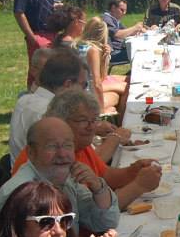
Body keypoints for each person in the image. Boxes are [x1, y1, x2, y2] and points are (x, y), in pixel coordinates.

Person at [0, 117, 120, 237]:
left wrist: (98, 186)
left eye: (67, 146)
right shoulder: (21, 194)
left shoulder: (64, 179)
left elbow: (106, 221)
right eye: (52, 146)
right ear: (31, 153)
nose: (62, 154)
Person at [10, 90, 162, 212]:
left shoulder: (80, 144)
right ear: (61, 121)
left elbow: (106, 175)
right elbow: (95, 213)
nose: (91, 127)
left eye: (94, 120)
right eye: (83, 120)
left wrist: (133, 171)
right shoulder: (51, 160)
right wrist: (139, 186)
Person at [9, 49, 88, 160]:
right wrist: (116, 137)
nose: (84, 92)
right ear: (68, 85)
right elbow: (78, 160)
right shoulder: (52, 114)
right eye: (83, 85)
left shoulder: (23, 100)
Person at [14, 0, 61, 87]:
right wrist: (32, 37)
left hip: (53, 33)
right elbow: (18, 12)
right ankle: (32, 99)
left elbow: (53, 2)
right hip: (37, 33)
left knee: (54, 69)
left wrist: (58, 6)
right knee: (38, 70)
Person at [81, 16, 128, 115]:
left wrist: (104, 58)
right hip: (88, 93)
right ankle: (121, 123)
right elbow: (97, 82)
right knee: (127, 89)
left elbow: (102, 77)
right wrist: (101, 110)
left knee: (128, 82)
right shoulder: (93, 50)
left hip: (83, 89)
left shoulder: (79, 45)